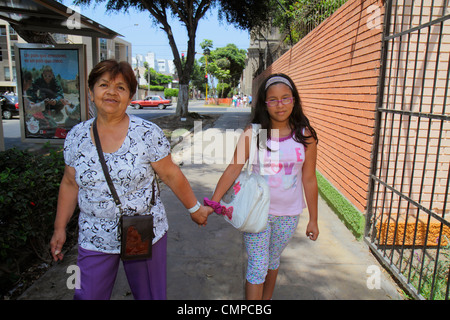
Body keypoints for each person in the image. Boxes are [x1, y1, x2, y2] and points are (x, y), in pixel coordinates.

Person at [50, 59, 213, 300]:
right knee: (87, 295)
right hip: (94, 234)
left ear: (130, 96)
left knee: (149, 295)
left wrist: (194, 208)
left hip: (143, 231)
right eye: (104, 84)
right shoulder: (76, 137)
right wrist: (59, 228)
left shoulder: (147, 133)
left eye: (121, 87)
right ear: (91, 91)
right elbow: (70, 182)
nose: (111, 92)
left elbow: (170, 173)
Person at [209, 73, 319, 300]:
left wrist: (314, 219)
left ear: (294, 100)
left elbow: (309, 179)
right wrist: (214, 201)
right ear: (264, 104)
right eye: (273, 100)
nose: (280, 105)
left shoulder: (304, 136)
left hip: (288, 214)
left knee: (272, 260)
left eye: (286, 98)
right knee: (258, 267)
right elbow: (234, 168)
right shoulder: (257, 133)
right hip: (257, 211)